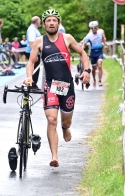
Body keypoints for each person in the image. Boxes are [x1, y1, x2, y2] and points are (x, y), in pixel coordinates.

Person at [24, 9, 91, 167]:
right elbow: (31, 62)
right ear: (44, 24)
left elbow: (82, 53)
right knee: (51, 119)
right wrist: (29, 76)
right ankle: (54, 156)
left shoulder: (67, 38)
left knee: (65, 121)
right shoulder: (40, 42)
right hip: (50, 85)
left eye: (54, 20)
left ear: (58, 23)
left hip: (67, 86)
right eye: (48, 20)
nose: (51, 23)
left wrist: (87, 71)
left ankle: (65, 128)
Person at [82, 21, 108, 87]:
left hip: (99, 52)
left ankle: (99, 81)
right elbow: (84, 44)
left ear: (97, 28)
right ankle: (94, 80)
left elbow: (103, 39)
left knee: (99, 65)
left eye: (95, 28)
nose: (94, 29)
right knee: (94, 69)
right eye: (92, 28)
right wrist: (81, 50)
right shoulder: (89, 36)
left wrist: (105, 45)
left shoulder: (100, 32)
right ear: (91, 29)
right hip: (93, 53)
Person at [26, 16, 41, 90]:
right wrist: (34, 54)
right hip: (33, 52)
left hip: (34, 51)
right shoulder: (32, 30)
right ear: (37, 22)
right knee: (34, 68)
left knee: (35, 68)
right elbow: (31, 42)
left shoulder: (34, 29)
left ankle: (32, 84)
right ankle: (32, 85)